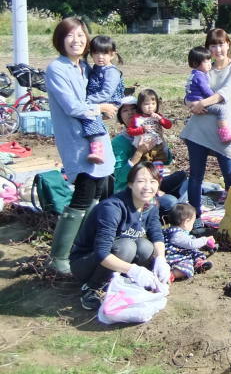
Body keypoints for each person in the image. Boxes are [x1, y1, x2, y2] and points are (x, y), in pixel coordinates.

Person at [46, 17, 117, 275]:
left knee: (102, 189)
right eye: (70, 36)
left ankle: (87, 244)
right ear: (60, 40)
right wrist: (101, 108)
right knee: (84, 193)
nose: (76, 41)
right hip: (76, 140)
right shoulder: (56, 69)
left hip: (96, 138)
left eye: (80, 36)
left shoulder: (85, 67)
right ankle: (59, 257)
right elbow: (72, 106)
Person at [69, 162, 169, 310]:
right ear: (130, 184)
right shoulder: (112, 208)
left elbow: (156, 233)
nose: (148, 187)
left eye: (153, 181)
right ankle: (92, 288)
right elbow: (102, 252)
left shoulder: (151, 204)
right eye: (141, 181)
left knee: (146, 247)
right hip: (85, 262)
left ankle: (117, 281)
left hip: (116, 256)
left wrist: (161, 259)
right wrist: (134, 270)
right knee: (126, 247)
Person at [181, 28, 231, 222]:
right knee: (196, 176)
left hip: (225, 132)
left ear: (228, 44)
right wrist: (190, 103)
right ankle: (194, 219)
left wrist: (203, 103)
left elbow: (228, 91)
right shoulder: (204, 68)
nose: (218, 49)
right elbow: (189, 92)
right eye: (213, 45)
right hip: (199, 130)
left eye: (221, 44)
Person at [112, 96, 186, 217]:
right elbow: (120, 176)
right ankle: (163, 207)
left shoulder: (150, 133)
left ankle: (165, 199)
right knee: (171, 202)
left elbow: (167, 160)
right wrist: (139, 152)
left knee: (182, 176)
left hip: (154, 182)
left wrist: (161, 139)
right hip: (133, 189)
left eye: (134, 109)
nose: (130, 113)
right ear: (120, 117)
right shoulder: (119, 142)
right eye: (125, 110)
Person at [81, 35, 125, 164]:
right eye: (96, 53)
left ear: (112, 55)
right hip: (98, 100)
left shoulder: (111, 72)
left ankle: (97, 150)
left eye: (104, 53)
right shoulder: (95, 68)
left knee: (92, 119)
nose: (100, 57)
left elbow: (106, 92)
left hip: (108, 101)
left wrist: (87, 101)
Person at [184, 46, 231, 143]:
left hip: (193, 102)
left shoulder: (193, 74)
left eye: (210, 61)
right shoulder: (200, 76)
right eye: (207, 62)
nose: (210, 64)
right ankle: (224, 134)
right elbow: (206, 90)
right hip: (198, 102)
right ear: (196, 63)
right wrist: (215, 97)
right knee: (222, 110)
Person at [163, 203, 216, 281]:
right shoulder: (177, 234)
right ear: (186, 222)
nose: (193, 225)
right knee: (186, 266)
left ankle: (199, 262)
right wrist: (205, 240)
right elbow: (191, 244)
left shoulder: (176, 231)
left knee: (196, 253)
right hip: (175, 257)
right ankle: (172, 274)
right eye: (192, 222)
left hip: (183, 252)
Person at [126, 89, 172, 163]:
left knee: (159, 163)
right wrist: (142, 129)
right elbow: (130, 131)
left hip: (158, 145)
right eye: (146, 104)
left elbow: (168, 125)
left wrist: (160, 119)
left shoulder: (157, 116)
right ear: (140, 105)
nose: (150, 107)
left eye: (153, 103)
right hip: (143, 147)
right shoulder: (137, 118)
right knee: (146, 165)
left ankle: (158, 173)